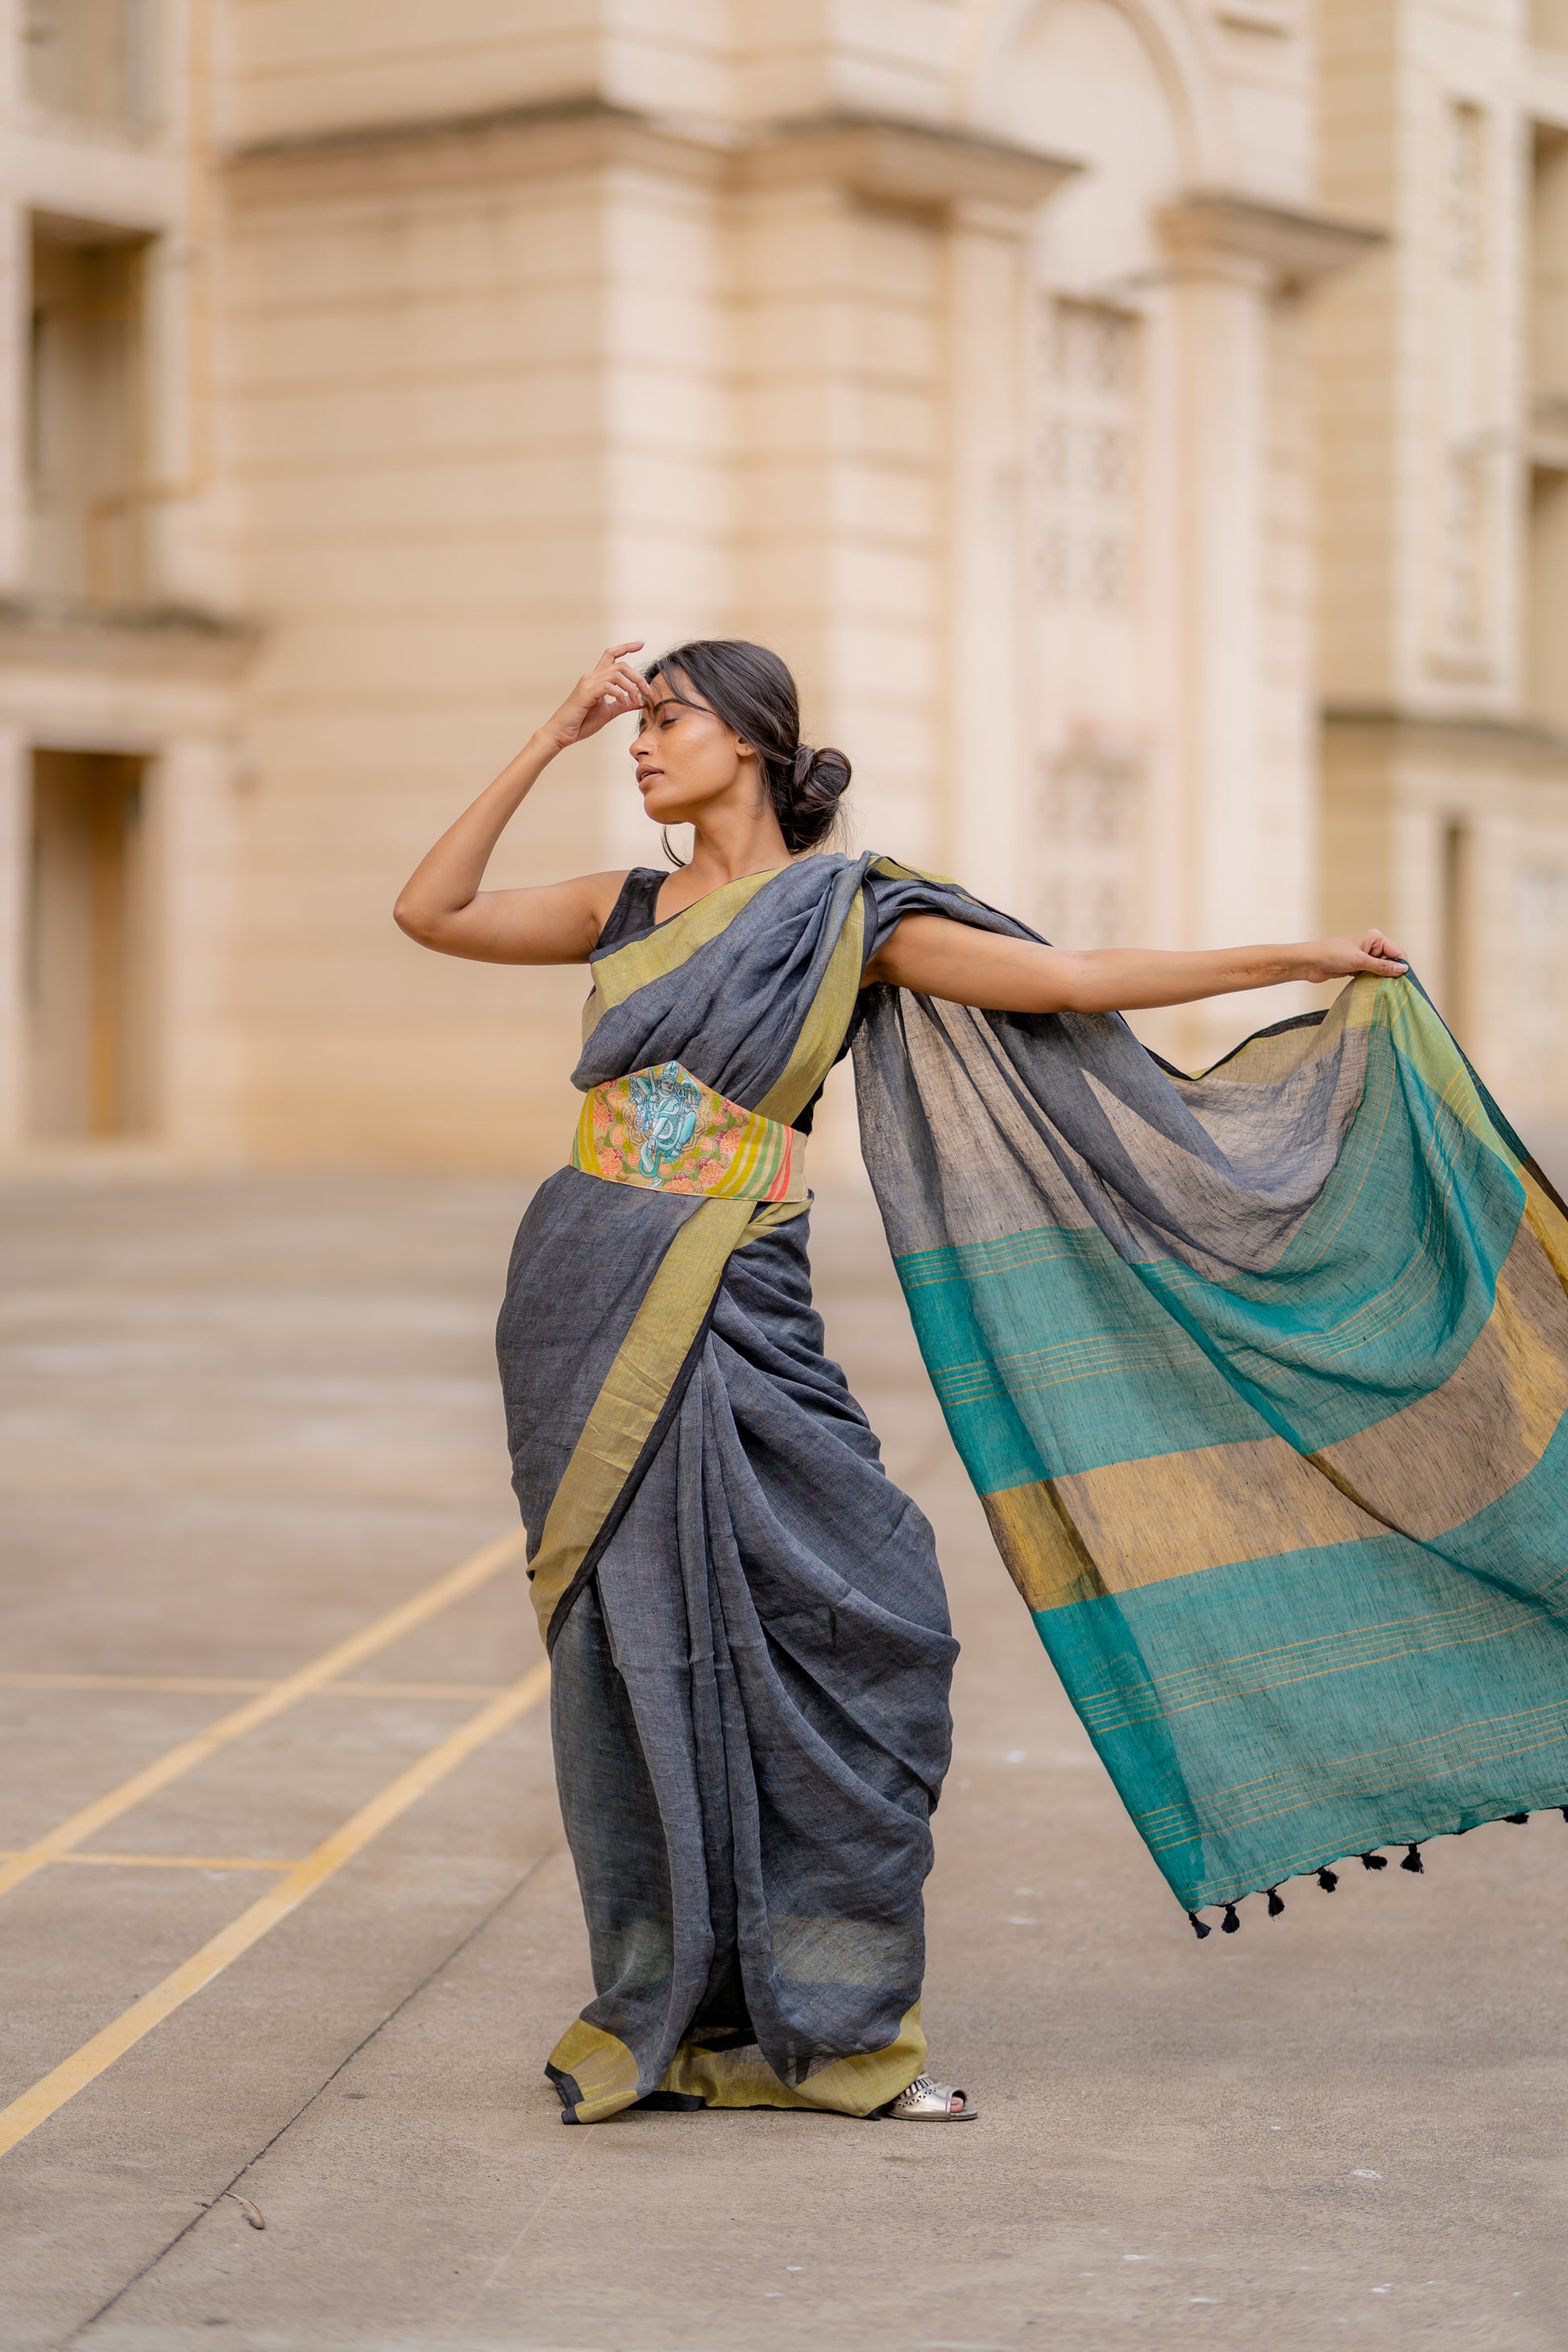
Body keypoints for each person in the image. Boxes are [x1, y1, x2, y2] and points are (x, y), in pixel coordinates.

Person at [394, 638, 1566, 2123]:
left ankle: (824, 2010)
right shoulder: (618, 907)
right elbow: (426, 910)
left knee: (870, 1613)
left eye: (665, 721)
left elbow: (1065, 979)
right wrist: (550, 729)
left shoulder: (849, 915)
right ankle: (682, 2013)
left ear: (753, 740)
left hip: (737, 1285)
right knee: (636, 1655)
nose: (640, 745)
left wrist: (1294, 957)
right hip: (585, 1286)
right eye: (632, 727)